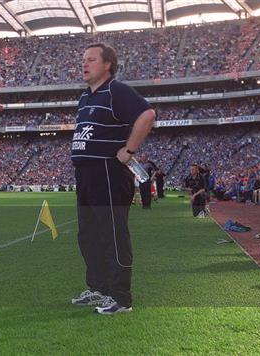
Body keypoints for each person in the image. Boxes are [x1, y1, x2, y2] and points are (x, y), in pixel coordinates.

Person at [70, 43, 156, 315]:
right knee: (89, 236)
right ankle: (98, 288)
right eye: (83, 60)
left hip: (108, 174)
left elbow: (147, 114)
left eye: (91, 59)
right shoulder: (85, 97)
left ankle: (121, 297)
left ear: (107, 64)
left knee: (113, 236)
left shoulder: (116, 90)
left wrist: (128, 149)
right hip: (85, 175)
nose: (84, 64)